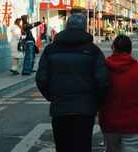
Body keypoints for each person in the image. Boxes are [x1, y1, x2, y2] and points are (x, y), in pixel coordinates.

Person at [36, 13, 110, 152]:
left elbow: (41, 79)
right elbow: (103, 81)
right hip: (85, 110)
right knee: (82, 146)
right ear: (85, 27)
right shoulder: (93, 51)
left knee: (63, 146)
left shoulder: (51, 49)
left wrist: (52, 97)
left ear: (66, 26)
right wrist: (95, 102)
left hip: (60, 108)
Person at [99, 35, 138, 152]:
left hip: (109, 122)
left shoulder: (103, 67)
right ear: (130, 49)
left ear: (113, 48)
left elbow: (97, 93)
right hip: (132, 122)